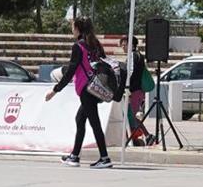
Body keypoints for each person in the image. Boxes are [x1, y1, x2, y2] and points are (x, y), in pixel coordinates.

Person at [46, 17, 111, 168]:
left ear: (78, 29)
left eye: (72, 27)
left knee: (95, 123)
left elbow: (70, 71)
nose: (71, 29)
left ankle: (104, 158)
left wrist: (55, 90)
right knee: (80, 119)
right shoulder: (96, 45)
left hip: (86, 89)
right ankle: (74, 156)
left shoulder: (78, 47)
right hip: (96, 87)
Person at [119, 35, 151, 146]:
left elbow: (130, 74)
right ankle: (136, 136)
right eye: (122, 45)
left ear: (131, 44)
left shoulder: (133, 56)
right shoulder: (137, 56)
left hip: (134, 91)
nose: (123, 47)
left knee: (130, 116)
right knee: (129, 115)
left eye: (124, 45)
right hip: (137, 90)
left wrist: (127, 88)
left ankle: (145, 136)